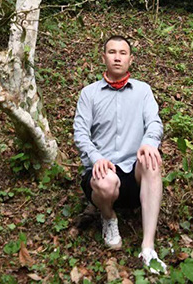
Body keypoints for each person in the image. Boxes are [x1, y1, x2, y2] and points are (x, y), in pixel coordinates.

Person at [73, 35, 167, 274]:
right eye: (112, 52)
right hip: (101, 176)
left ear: (130, 59)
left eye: (122, 53)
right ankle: (108, 217)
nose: (117, 57)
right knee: (105, 180)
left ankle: (148, 247)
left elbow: (154, 123)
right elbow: (81, 134)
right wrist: (96, 158)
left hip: (133, 174)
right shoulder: (89, 94)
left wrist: (149, 143)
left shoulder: (143, 91)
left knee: (152, 163)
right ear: (103, 57)